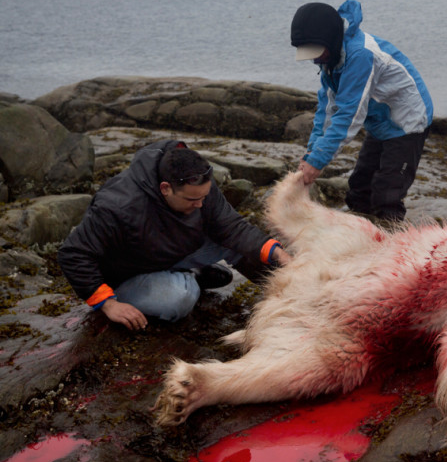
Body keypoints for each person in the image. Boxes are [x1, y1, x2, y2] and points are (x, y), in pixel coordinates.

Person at [58, 140, 290, 331]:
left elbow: (231, 227)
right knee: (180, 299)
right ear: (165, 188)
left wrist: (280, 256)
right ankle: (192, 277)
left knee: (245, 246)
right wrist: (107, 304)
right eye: (192, 200)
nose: (201, 204)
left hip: (166, 252)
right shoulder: (118, 206)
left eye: (204, 197)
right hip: (125, 276)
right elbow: (73, 253)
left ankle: (287, 298)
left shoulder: (196, 181)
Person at [291, 0, 434, 223]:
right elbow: (327, 110)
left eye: (317, 52)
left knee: (387, 195)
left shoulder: (360, 55)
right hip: (380, 123)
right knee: (359, 189)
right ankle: (360, 239)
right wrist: (311, 153)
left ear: (330, 39)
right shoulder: (331, 59)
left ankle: (391, 246)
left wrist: (318, 162)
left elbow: (349, 115)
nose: (315, 58)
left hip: (407, 123)